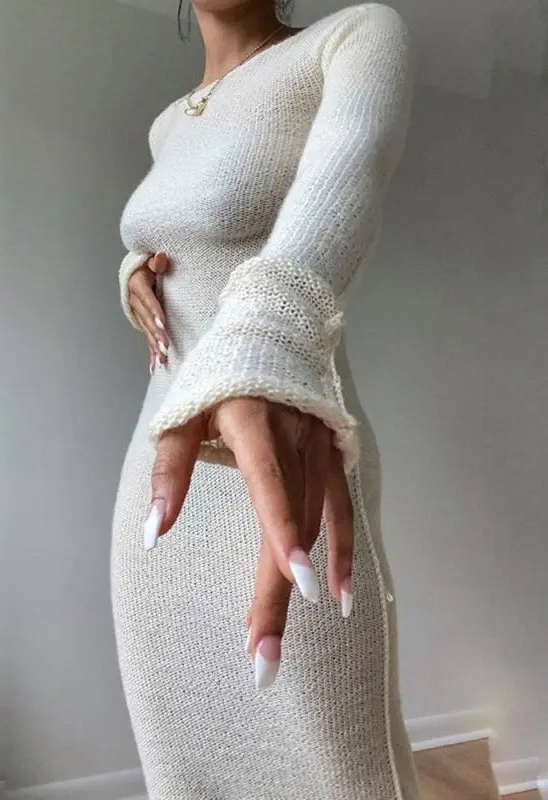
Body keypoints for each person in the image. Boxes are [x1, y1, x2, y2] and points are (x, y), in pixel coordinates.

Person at [111, 0, 419, 797]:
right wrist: (133, 270)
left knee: (339, 757)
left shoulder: (350, 39)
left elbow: (347, 175)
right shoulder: (169, 123)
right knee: (187, 759)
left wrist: (266, 337)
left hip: (286, 448)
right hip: (163, 473)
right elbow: (181, 236)